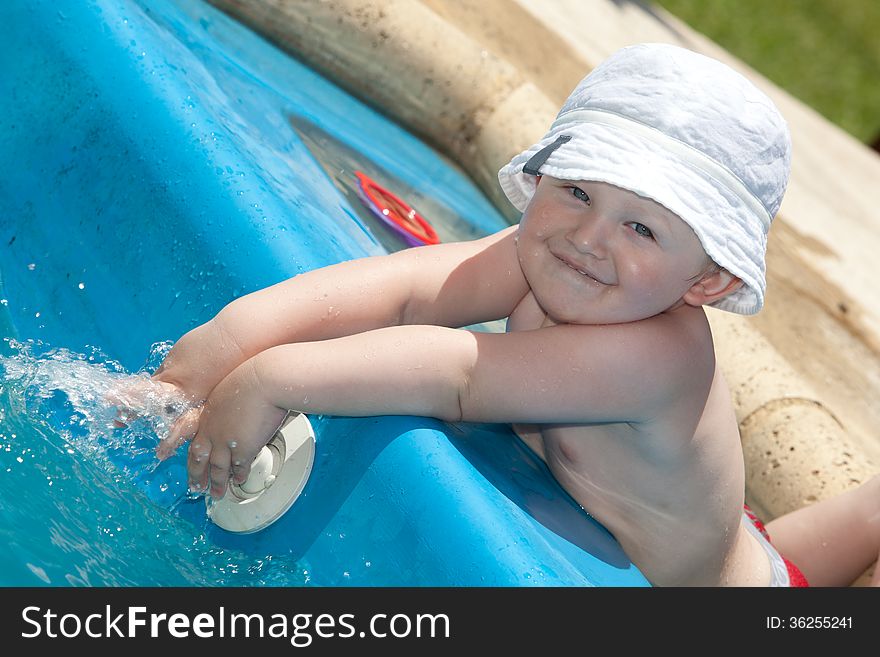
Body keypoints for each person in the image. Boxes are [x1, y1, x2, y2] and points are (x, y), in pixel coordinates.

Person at [138, 43, 879, 586]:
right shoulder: (548, 252)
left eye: (642, 228)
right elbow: (402, 288)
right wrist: (214, 349)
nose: (588, 238)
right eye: (578, 190)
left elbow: (457, 374)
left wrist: (271, 377)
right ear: (542, 175)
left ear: (709, 280)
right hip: (740, 546)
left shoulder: (657, 355)